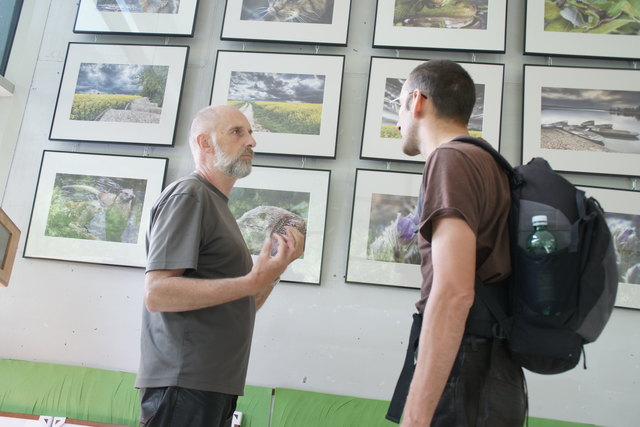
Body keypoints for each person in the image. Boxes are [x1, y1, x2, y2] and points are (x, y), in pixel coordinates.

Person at [135, 105, 305, 427]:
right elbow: (157, 294)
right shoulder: (189, 195)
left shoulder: (217, 205)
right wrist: (253, 281)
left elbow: (242, 305)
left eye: (251, 133)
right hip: (184, 383)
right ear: (205, 143)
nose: (251, 142)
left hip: (213, 383)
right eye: (237, 132)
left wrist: (273, 272)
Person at [385, 60, 527, 426]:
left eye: (399, 106)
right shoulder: (486, 161)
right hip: (490, 370)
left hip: (464, 370)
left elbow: (453, 293)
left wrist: (415, 417)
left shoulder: (450, 160)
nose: (398, 121)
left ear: (417, 101)